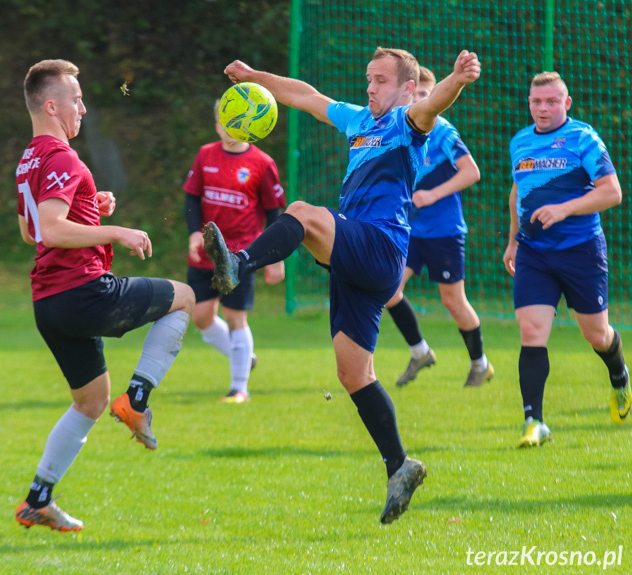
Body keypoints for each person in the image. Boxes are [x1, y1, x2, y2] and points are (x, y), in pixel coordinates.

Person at [204, 48, 481, 524]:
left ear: (405, 89)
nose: (369, 87)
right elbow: (306, 96)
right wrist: (255, 76)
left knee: (302, 212)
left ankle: (239, 261)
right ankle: (400, 466)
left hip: (381, 246)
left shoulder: (407, 124)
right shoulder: (359, 120)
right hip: (356, 261)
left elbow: (433, 106)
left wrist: (455, 79)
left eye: (379, 80)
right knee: (354, 374)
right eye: (368, 79)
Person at [12, 59, 195, 532]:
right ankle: (138, 401)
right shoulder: (62, 158)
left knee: (91, 401)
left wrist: (92, 209)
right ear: (52, 106)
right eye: (76, 99)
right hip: (82, 291)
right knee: (185, 296)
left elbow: (30, 230)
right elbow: (50, 231)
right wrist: (116, 231)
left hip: (49, 304)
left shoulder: (30, 159)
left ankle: (38, 499)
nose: (83, 108)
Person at [502, 71, 629, 448]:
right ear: (529, 103)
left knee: (597, 335)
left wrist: (564, 208)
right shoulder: (520, 142)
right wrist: (512, 242)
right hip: (533, 253)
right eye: (537, 102)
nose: (543, 108)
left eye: (552, 101)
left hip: (581, 251)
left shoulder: (583, 138)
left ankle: (619, 376)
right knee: (531, 332)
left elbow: (612, 192)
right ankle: (534, 421)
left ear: (566, 103)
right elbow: (517, 194)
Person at [384, 66, 493, 388]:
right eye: (413, 94)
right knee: (388, 289)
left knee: (452, 301)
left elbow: (471, 172)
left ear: (436, 97)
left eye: (424, 95)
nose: (418, 100)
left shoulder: (443, 130)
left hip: (444, 232)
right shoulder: (400, 131)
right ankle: (420, 351)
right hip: (408, 231)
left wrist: (433, 194)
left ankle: (480, 363)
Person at [183, 100, 286, 403]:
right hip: (205, 253)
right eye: (224, 123)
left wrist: (274, 257)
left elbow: (273, 214)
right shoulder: (205, 155)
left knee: (235, 316)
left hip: (241, 255)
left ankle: (239, 387)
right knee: (201, 317)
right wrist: (193, 234)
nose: (230, 129)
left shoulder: (263, 163)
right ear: (217, 125)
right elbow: (192, 198)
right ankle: (243, 356)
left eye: (237, 123)